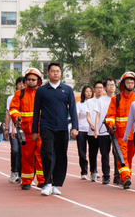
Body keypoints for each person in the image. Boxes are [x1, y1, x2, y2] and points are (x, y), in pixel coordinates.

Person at [32, 62, 78, 196]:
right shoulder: (41, 90)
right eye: (52, 71)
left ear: (61, 73)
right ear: (48, 73)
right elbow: (36, 112)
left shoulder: (67, 90)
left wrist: (75, 127)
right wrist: (35, 131)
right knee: (47, 154)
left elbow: (73, 110)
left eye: (57, 71)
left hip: (63, 128)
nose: (55, 73)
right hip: (47, 127)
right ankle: (47, 183)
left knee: (61, 156)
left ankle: (57, 184)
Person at [9, 69, 45, 190]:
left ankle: (42, 180)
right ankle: (26, 181)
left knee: (41, 156)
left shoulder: (43, 93)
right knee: (27, 156)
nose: (30, 81)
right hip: (26, 131)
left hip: (41, 130)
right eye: (28, 79)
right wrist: (17, 116)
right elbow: (13, 108)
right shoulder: (20, 94)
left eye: (33, 79)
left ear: (39, 81)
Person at [105, 71, 135, 189]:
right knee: (122, 156)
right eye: (127, 82)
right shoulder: (116, 98)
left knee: (129, 157)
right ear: (123, 84)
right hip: (120, 134)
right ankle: (126, 178)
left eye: (132, 82)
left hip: (134, 134)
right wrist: (111, 125)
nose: (130, 84)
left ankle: (126, 176)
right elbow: (110, 115)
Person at [93, 78, 116, 185]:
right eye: (109, 85)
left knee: (117, 154)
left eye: (113, 85)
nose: (111, 87)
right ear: (105, 88)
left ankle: (117, 175)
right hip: (103, 131)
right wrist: (96, 130)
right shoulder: (100, 100)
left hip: (116, 131)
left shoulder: (118, 98)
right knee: (105, 155)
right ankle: (106, 176)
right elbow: (97, 115)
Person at [6, 76, 25, 184]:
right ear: (16, 85)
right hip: (14, 129)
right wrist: (8, 128)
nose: (21, 85)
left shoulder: (27, 97)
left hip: (24, 129)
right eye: (19, 83)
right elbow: (9, 114)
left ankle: (22, 175)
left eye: (23, 83)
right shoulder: (11, 98)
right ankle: (14, 171)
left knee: (23, 152)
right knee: (15, 151)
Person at [76, 85, 94, 181]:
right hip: (82, 130)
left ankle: (93, 171)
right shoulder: (79, 104)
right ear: (83, 93)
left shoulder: (94, 103)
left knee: (92, 152)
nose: (88, 93)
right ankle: (84, 171)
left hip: (91, 130)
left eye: (90, 91)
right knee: (82, 152)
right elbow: (77, 117)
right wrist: (76, 128)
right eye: (86, 91)